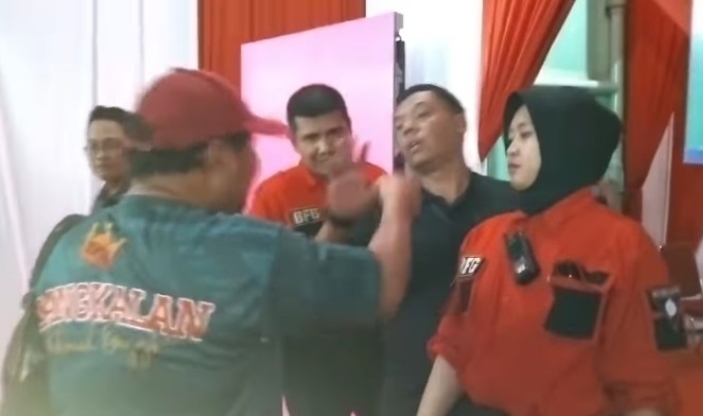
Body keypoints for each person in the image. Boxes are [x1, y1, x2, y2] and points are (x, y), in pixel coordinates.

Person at [31, 68, 420, 416]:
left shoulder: (68, 248)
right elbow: (381, 287)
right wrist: (398, 204)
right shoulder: (244, 250)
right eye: (249, 148)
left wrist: (338, 220)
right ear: (217, 156)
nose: (254, 164)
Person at [417, 86, 679, 416]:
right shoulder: (482, 237)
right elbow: (453, 344)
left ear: (567, 143)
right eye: (511, 137)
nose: (512, 148)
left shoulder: (629, 246)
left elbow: (648, 386)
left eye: (526, 135)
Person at [348, 84, 518, 416]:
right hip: (407, 390)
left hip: (498, 393)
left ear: (460, 123)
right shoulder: (384, 212)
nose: (408, 128)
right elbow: (361, 298)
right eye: (399, 125)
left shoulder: (511, 203)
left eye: (422, 114)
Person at [250, 84, 385, 416]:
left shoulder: (377, 181)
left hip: (375, 342)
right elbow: (274, 282)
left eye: (334, 133)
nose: (325, 147)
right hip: (308, 351)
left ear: (350, 129)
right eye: (311, 138)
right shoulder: (274, 195)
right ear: (294, 141)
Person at [85, 106, 136, 211]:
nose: (101, 155)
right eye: (93, 146)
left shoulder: (141, 197)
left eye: (110, 145)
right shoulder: (103, 197)